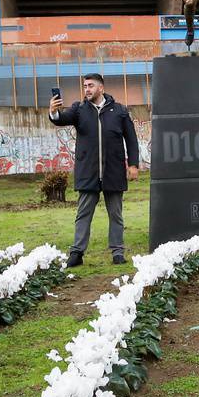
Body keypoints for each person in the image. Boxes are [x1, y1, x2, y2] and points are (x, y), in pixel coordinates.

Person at [47, 73, 140, 267]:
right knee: (83, 214)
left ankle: (117, 251)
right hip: (88, 172)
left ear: (101, 88)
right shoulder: (79, 109)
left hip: (113, 171)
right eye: (85, 86)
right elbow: (60, 119)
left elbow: (131, 139)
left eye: (90, 86)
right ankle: (77, 253)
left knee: (116, 214)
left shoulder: (119, 111)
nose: (86, 89)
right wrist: (54, 112)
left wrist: (133, 165)